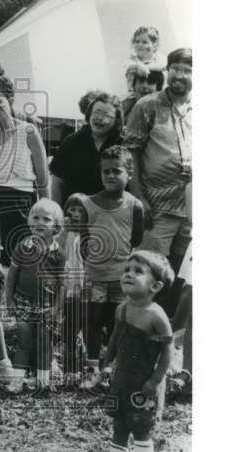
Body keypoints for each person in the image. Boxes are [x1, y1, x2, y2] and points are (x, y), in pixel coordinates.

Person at [93, 250, 175, 452]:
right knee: (119, 424)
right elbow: (116, 340)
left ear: (156, 286)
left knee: (141, 428)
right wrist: (107, 365)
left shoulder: (156, 316)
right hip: (122, 380)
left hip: (144, 384)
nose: (128, 274)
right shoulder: (122, 309)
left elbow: (167, 351)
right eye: (127, 270)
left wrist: (156, 380)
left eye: (138, 271)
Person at [0, 57, 49, 265]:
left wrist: (46, 219)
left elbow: (43, 181)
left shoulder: (28, 131)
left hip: (21, 209)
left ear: (10, 100)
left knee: (20, 267)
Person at [125, 48, 192, 274]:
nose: (179, 75)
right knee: (148, 270)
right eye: (175, 69)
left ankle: (167, 311)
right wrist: (138, 197)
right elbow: (130, 153)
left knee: (183, 274)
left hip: (192, 209)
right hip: (157, 207)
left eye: (187, 70)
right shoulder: (147, 105)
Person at [81, 145, 144, 382]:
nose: (110, 176)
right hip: (95, 276)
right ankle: (92, 367)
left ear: (129, 173)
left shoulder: (134, 205)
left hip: (121, 277)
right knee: (93, 320)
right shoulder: (88, 203)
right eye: (105, 171)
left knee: (117, 321)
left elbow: (135, 239)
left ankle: (112, 367)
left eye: (116, 171)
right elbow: (84, 241)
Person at [4, 198, 65, 392]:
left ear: (56, 225)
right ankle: (18, 380)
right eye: (35, 217)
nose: (39, 222)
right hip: (23, 302)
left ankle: (43, 381)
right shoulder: (23, 246)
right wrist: (9, 300)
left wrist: (57, 308)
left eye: (46, 219)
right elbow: (12, 276)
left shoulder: (58, 254)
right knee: (24, 341)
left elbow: (62, 284)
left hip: (46, 305)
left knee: (44, 343)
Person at [49, 91, 124, 207]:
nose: (100, 118)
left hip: (111, 215)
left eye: (107, 115)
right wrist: (56, 213)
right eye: (97, 112)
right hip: (75, 215)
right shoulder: (72, 142)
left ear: (116, 120)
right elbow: (57, 182)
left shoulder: (123, 145)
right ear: (89, 114)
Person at [60, 193, 89, 385]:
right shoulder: (65, 233)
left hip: (84, 287)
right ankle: (70, 369)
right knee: (69, 326)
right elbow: (59, 250)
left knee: (86, 325)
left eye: (81, 210)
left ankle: (87, 365)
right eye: (72, 209)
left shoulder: (89, 234)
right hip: (67, 287)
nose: (76, 214)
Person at [123, 25, 165, 120]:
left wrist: (146, 68)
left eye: (145, 42)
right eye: (137, 41)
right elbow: (127, 66)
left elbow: (164, 66)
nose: (140, 44)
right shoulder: (132, 59)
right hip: (133, 94)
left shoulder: (158, 57)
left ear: (154, 45)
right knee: (126, 109)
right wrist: (138, 66)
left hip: (155, 93)